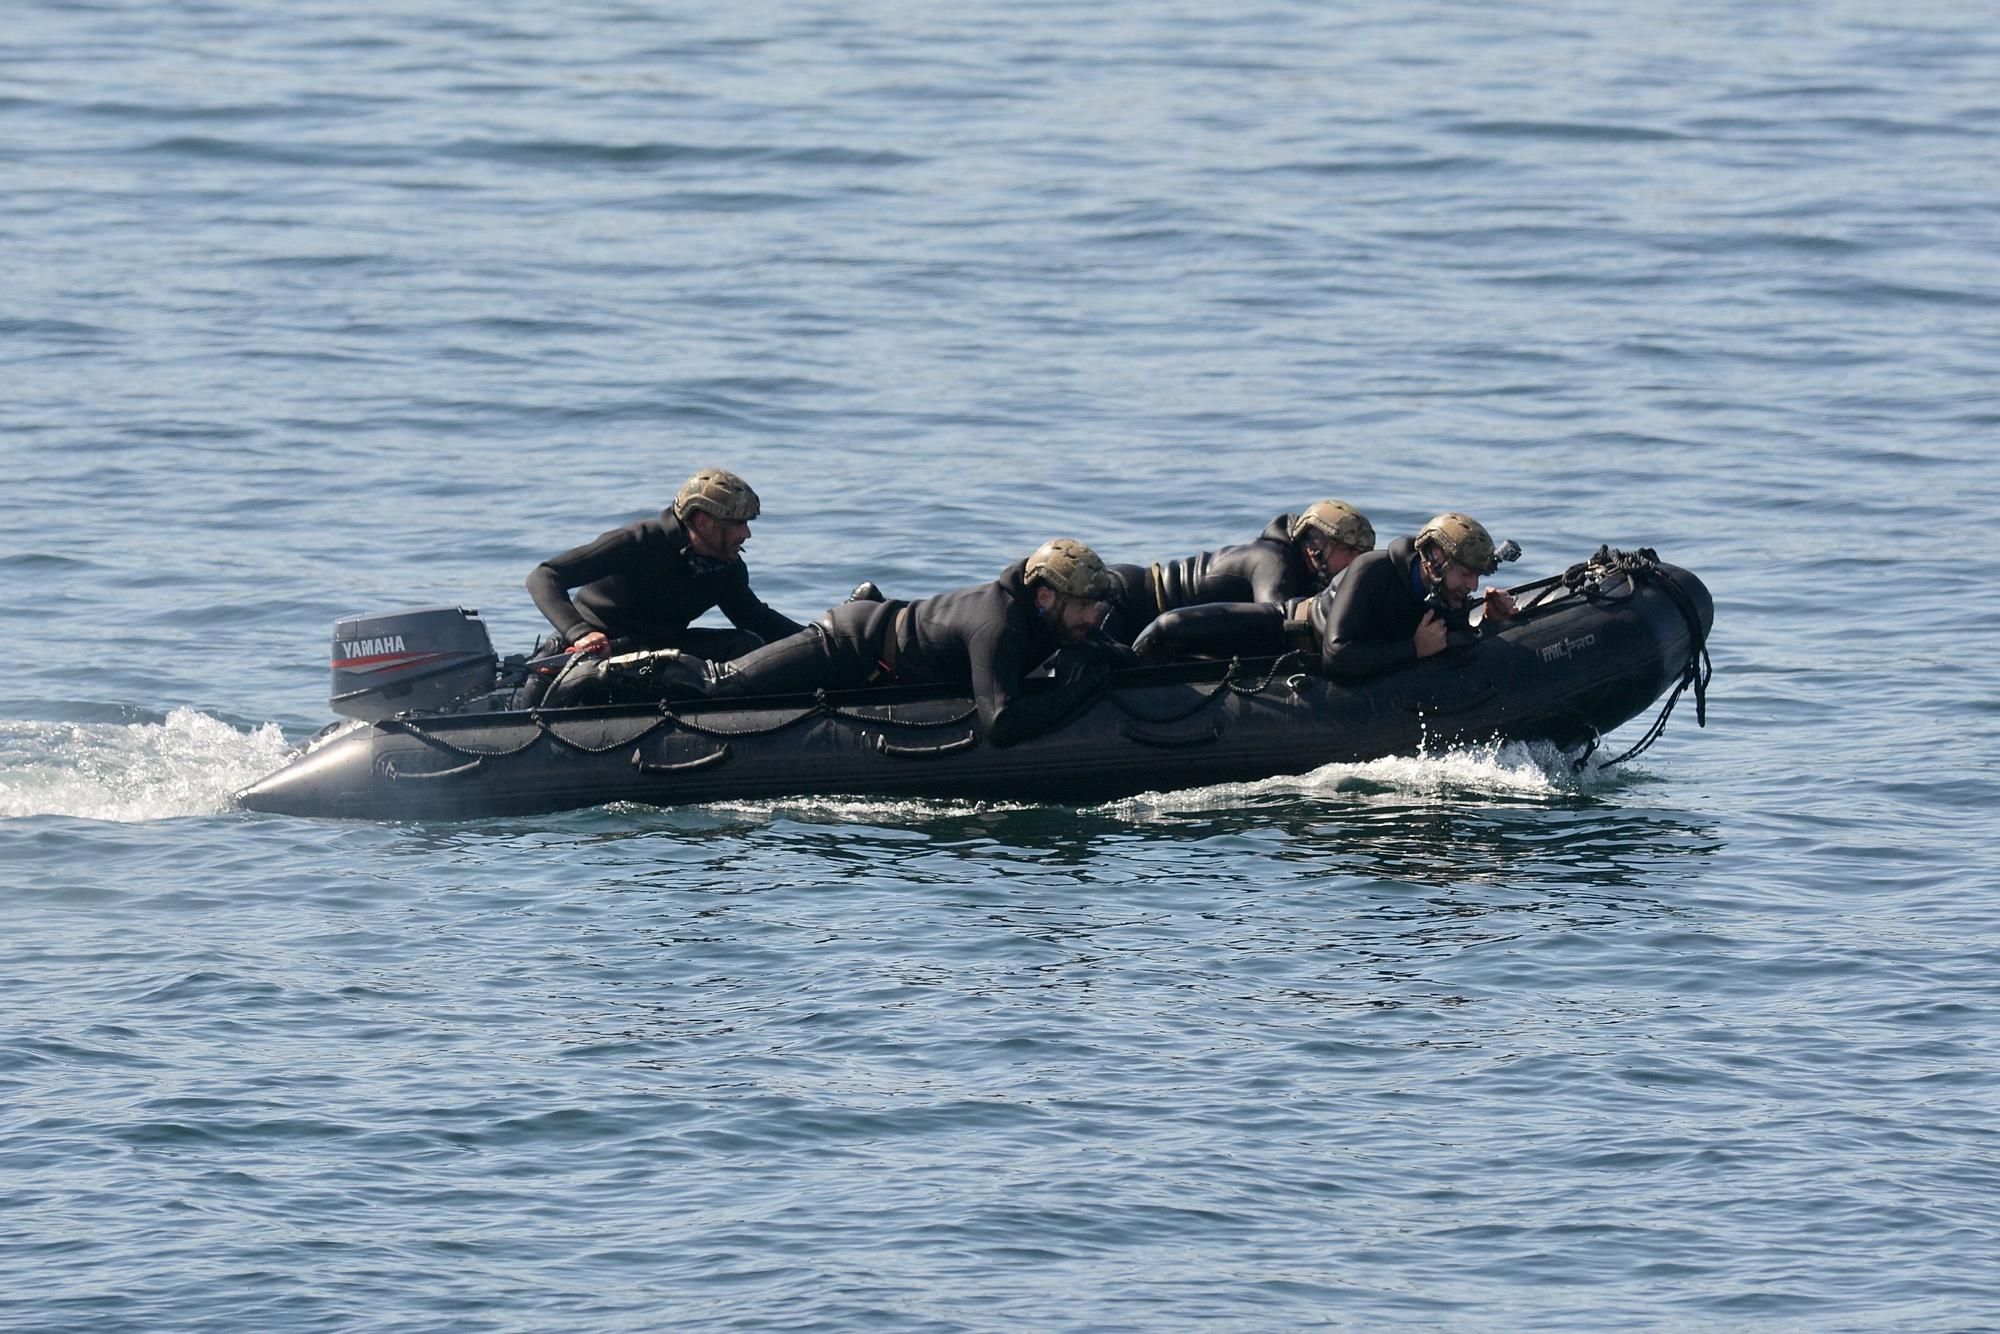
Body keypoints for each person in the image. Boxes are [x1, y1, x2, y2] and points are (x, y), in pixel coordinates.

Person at [653, 539, 1130, 747]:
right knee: (724, 686)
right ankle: (611, 673)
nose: (1092, 617)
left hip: (890, 660)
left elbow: (1112, 654)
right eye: (1083, 606)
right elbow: (1000, 725)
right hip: (851, 641)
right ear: (1045, 596)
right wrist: (1081, 692)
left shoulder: (1056, 619)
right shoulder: (999, 625)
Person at [526, 467, 802, 661]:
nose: (746, 534)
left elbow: (757, 620)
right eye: (738, 524)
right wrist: (580, 634)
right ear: (703, 522)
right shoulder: (637, 542)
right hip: (595, 649)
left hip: (658, 652)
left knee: (746, 644)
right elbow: (544, 576)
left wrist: (820, 640)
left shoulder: (726, 569)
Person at [1126, 501, 1377, 660]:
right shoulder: (1273, 562)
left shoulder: (1306, 572)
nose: (1356, 563)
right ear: (1316, 547)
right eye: (1350, 551)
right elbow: (1275, 625)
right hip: (1130, 602)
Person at [1317, 512, 1518, 681]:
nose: (1473, 586)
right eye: (1466, 574)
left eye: (1477, 576)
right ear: (1436, 561)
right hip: (1303, 637)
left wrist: (1490, 622)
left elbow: (1459, 649)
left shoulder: (1444, 595)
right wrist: (1413, 649)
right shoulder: (1372, 571)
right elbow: (1335, 658)